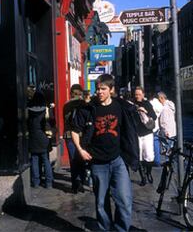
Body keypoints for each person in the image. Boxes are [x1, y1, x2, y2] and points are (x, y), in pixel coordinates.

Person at [71, 74, 139, 232]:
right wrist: (80, 150)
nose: (99, 92)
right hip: (97, 162)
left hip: (118, 160)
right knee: (101, 203)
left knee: (124, 199)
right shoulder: (88, 108)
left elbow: (132, 130)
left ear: (111, 90)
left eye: (103, 89)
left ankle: (121, 229)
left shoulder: (121, 107)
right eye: (98, 89)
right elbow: (74, 130)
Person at [63, 84, 86, 193]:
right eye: (77, 94)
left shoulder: (66, 104)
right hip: (80, 135)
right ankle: (79, 181)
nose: (77, 96)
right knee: (80, 159)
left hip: (69, 135)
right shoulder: (82, 104)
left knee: (74, 160)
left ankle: (76, 183)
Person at [28, 91, 54, 189]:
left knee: (34, 160)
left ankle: (36, 182)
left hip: (33, 137)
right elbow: (51, 122)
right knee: (46, 160)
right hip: (44, 137)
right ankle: (48, 182)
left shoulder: (28, 110)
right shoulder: (46, 110)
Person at [133, 87, 157, 185]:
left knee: (149, 155)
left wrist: (145, 111)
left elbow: (154, 116)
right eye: (136, 94)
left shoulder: (147, 104)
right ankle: (143, 177)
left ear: (143, 94)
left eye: (139, 94)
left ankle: (148, 173)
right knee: (139, 156)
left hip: (147, 132)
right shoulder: (132, 105)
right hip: (136, 133)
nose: (137, 96)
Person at [149, 93, 164, 166]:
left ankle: (151, 160)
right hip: (156, 126)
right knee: (156, 143)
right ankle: (157, 161)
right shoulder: (160, 105)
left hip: (149, 127)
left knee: (150, 144)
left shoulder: (149, 103)